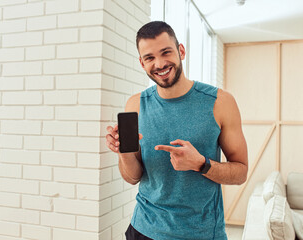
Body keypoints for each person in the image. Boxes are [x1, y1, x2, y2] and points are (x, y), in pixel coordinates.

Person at [105, 21, 248, 240]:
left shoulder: (220, 102)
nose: (160, 63)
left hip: (200, 234)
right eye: (150, 58)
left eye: (166, 52)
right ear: (142, 64)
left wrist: (201, 164)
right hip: (143, 229)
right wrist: (124, 153)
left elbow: (240, 173)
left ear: (181, 51)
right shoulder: (135, 105)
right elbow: (132, 178)